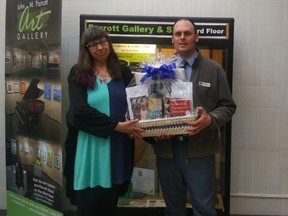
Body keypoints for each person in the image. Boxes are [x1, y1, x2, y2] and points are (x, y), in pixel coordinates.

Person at [152, 18, 237, 216]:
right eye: (178, 33)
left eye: (187, 33)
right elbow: (149, 106)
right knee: (173, 210)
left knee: (204, 209)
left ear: (196, 37)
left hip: (200, 152)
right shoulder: (158, 70)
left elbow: (228, 106)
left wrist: (210, 120)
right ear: (172, 39)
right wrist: (154, 130)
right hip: (167, 151)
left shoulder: (214, 69)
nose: (182, 37)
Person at [63, 26, 143, 216]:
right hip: (88, 149)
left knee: (109, 206)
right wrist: (117, 126)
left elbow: (137, 103)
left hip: (117, 149)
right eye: (94, 44)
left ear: (109, 42)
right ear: (86, 48)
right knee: (88, 207)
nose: (100, 47)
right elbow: (79, 111)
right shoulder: (78, 73)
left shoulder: (122, 71)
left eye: (103, 41)